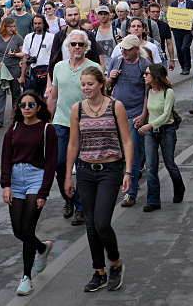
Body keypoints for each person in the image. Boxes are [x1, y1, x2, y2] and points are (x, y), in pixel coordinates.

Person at [65, 66, 134, 292]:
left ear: (100, 84)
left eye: (90, 84)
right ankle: (99, 271)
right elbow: (73, 143)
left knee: (102, 223)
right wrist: (68, 175)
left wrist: (128, 171)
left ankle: (114, 263)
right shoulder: (77, 109)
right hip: (85, 170)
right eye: (83, 84)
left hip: (110, 170)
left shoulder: (116, 106)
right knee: (91, 225)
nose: (86, 88)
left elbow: (126, 140)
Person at [1, 92, 58, 296]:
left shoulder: (47, 129)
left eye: (31, 104)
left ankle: (26, 277)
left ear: (38, 107)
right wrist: (6, 185)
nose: (26, 108)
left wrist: (43, 192)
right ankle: (41, 248)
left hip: (36, 177)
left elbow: (51, 163)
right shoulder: (13, 129)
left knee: (27, 227)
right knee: (18, 230)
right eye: (23, 105)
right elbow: (6, 158)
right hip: (16, 178)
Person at [47, 30, 99, 226]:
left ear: (86, 47)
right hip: (61, 123)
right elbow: (53, 96)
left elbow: (99, 97)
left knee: (84, 168)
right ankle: (70, 199)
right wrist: (47, 121)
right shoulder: (59, 67)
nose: (77, 47)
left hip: (85, 124)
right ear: (67, 47)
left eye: (80, 44)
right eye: (73, 44)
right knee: (59, 164)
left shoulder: (94, 68)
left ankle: (81, 208)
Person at [106, 35, 150, 208]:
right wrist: (111, 77)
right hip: (117, 113)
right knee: (117, 152)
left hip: (135, 114)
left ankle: (131, 192)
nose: (123, 51)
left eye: (127, 49)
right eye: (122, 48)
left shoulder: (144, 65)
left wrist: (143, 114)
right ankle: (122, 181)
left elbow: (148, 92)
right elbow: (107, 86)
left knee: (132, 152)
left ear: (136, 49)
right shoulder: (117, 61)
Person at [137, 64, 185, 212]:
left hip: (166, 130)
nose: (144, 76)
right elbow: (148, 109)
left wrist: (149, 125)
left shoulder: (168, 92)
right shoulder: (148, 91)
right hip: (151, 132)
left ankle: (179, 188)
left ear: (155, 76)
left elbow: (166, 115)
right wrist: (142, 119)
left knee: (169, 163)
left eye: (147, 74)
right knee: (151, 166)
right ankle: (153, 201)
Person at [47, 5, 101, 78]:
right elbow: (53, 61)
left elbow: (95, 59)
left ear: (79, 15)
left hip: (85, 80)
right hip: (63, 78)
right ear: (65, 17)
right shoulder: (59, 36)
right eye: (70, 15)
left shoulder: (89, 35)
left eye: (75, 14)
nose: (73, 17)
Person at [0, 18, 25, 129]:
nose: (12, 28)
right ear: (4, 27)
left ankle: (16, 118)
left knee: (15, 92)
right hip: (1, 68)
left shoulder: (18, 38)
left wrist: (15, 54)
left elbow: (24, 53)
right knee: (0, 93)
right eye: (10, 26)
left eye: (14, 26)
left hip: (14, 67)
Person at [20, 15, 54, 98]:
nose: (37, 25)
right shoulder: (28, 37)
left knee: (47, 98)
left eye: (39, 23)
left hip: (48, 71)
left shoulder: (52, 37)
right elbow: (25, 57)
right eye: (35, 23)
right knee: (32, 98)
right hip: (33, 72)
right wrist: (22, 76)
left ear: (44, 24)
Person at [169, 0, 193, 75]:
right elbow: (170, 16)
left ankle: (187, 67)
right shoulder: (173, 4)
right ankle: (182, 66)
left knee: (185, 47)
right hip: (177, 30)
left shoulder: (191, 4)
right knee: (179, 49)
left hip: (188, 30)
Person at [147, 3, 175, 70]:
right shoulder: (143, 24)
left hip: (161, 57)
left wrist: (172, 60)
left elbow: (169, 43)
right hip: (147, 58)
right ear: (148, 13)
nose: (155, 13)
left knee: (162, 79)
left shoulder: (164, 26)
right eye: (153, 12)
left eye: (157, 12)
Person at [93, 5, 117, 71]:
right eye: (100, 14)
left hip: (114, 69)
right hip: (99, 70)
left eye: (105, 14)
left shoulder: (116, 31)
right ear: (97, 16)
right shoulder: (94, 33)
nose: (103, 16)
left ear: (109, 15)